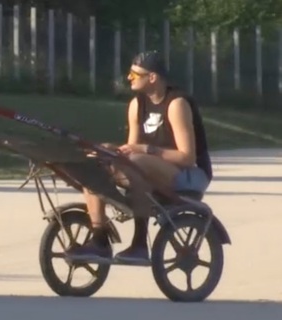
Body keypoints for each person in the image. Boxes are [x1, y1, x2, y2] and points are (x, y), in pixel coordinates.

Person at [65, 50, 213, 264]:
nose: (128, 78)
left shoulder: (176, 104)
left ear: (152, 77)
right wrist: (112, 151)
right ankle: (99, 240)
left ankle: (140, 244)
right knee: (95, 165)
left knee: (136, 162)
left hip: (190, 175)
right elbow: (131, 148)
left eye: (134, 75)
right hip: (148, 167)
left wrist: (146, 150)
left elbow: (187, 157)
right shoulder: (137, 105)